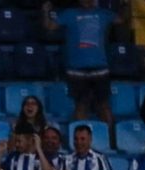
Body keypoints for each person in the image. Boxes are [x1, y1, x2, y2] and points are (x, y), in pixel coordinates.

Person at [42, 1, 119, 130]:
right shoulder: (69, 14)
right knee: (81, 106)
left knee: (104, 105)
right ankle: (81, 141)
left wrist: (127, 4)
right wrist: (45, 11)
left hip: (100, 68)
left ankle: (111, 141)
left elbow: (121, 20)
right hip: (76, 69)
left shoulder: (103, 14)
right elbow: (49, 26)